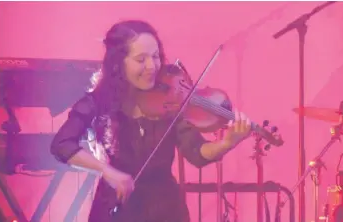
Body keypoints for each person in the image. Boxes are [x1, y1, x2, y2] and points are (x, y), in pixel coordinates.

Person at [50, 20, 252, 222]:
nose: (152, 66)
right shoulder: (97, 102)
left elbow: (197, 153)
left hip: (165, 209)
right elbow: (62, 145)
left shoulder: (170, 102)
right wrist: (108, 171)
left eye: (155, 57)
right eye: (141, 59)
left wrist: (227, 143)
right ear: (118, 63)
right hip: (117, 208)